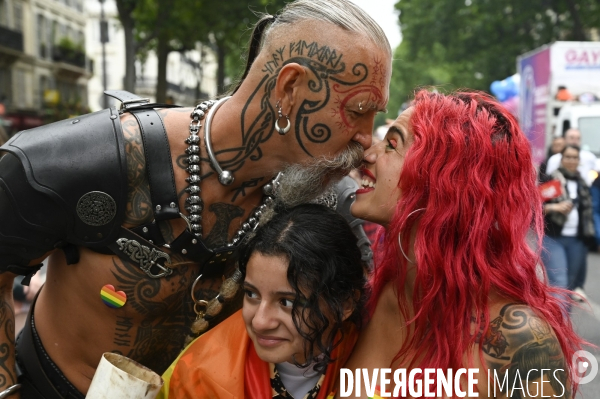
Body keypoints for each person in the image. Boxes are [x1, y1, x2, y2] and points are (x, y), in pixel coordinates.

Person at [0, 1, 392, 397]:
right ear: (290, 89)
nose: (367, 139)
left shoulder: (327, 203)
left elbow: (379, 315)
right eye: (358, 111)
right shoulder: (84, 162)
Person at [344, 90, 584, 397]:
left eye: (392, 144)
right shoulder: (373, 293)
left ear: (444, 182)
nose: (368, 154)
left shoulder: (520, 342)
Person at [158, 204, 366, 398]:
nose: (259, 322)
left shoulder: (372, 355)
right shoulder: (201, 377)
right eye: (251, 294)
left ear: (345, 304)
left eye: (287, 302)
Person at [543, 145, 595, 300]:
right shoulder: (552, 180)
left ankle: (564, 323)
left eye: (575, 157)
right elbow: (533, 207)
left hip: (577, 239)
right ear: (561, 159)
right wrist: (554, 207)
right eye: (568, 157)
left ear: (579, 161)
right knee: (559, 282)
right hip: (553, 238)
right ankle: (557, 322)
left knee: (570, 287)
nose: (571, 160)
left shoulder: (582, 183)